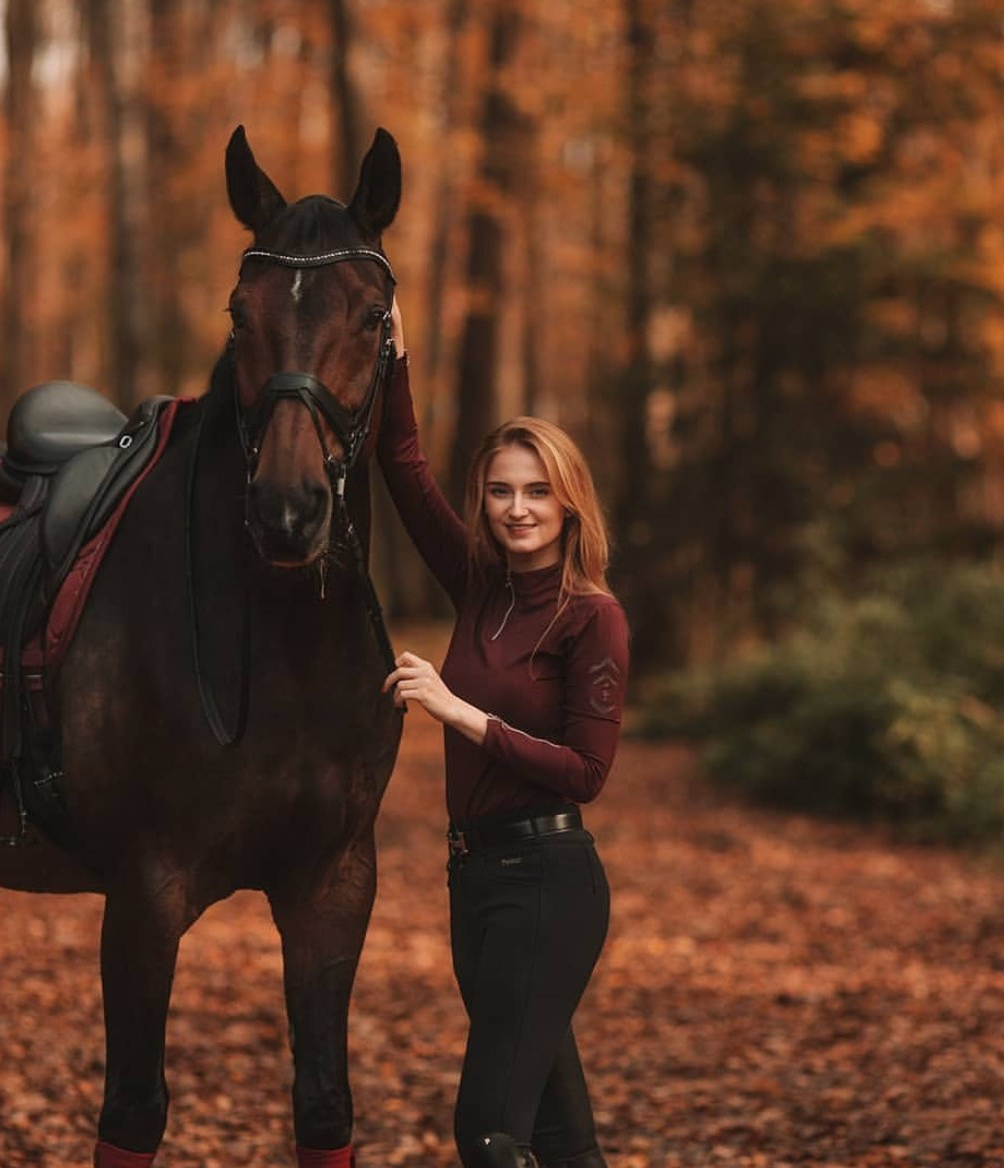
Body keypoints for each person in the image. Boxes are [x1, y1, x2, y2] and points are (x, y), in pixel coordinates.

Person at [378, 300, 630, 1168]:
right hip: (474, 884)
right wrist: (394, 357)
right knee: (561, 1139)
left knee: (488, 1135)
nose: (516, 509)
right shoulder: (480, 589)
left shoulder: (591, 619)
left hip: (549, 888)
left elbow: (586, 772)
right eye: (499, 491)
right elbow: (403, 468)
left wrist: (459, 713)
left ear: (567, 503)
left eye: (535, 491)